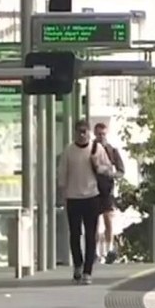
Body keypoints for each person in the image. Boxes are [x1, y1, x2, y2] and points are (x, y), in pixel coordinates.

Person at [56, 120, 115, 285]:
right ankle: (78, 265)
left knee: (91, 235)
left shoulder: (97, 149)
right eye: (79, 131)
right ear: (75, 133)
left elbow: (109, 169)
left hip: (92, 197)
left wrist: (98, 166)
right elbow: (62, 175)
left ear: (89, 132)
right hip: (73, 197)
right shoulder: (69, 151)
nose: (82, 134)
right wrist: (63, 196)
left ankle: (88, 270)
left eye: (85, 131)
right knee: (75, 235)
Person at [92, 122, 127, 265]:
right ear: (94, 134)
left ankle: (109, 249)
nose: (101, 137)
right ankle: (94, 251)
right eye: (98, 134)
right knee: (93, 221)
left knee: (108, 219)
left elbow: (121, 170)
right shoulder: (90, 149)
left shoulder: (112, 150)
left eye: (103, 134)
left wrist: (112, 174)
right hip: (92, 188)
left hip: (107, 189)